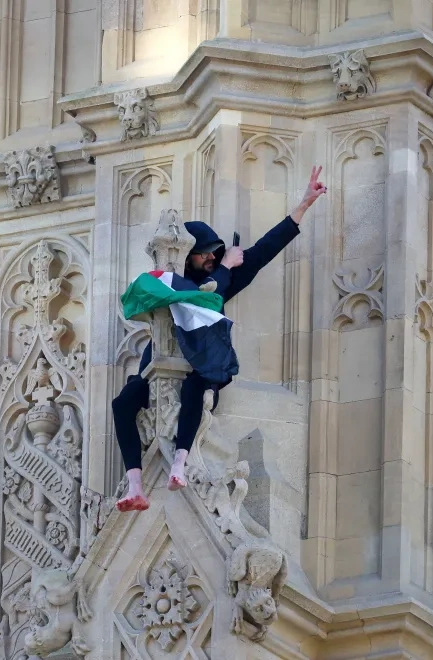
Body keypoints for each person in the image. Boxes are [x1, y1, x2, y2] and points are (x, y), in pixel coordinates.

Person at [113, 166, 328, 512]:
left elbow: (263, 252)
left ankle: (180, 463)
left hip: (201, 366)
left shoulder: (219, 281)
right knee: (124, 401)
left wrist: (302, 206)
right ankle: (135, 484)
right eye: (205, 253)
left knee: (195, 387)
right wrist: (226, 267)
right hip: (158, 366)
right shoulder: (173, 282)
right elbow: (195, 293)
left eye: (216, 251)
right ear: (189, 257)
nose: (212, 257)